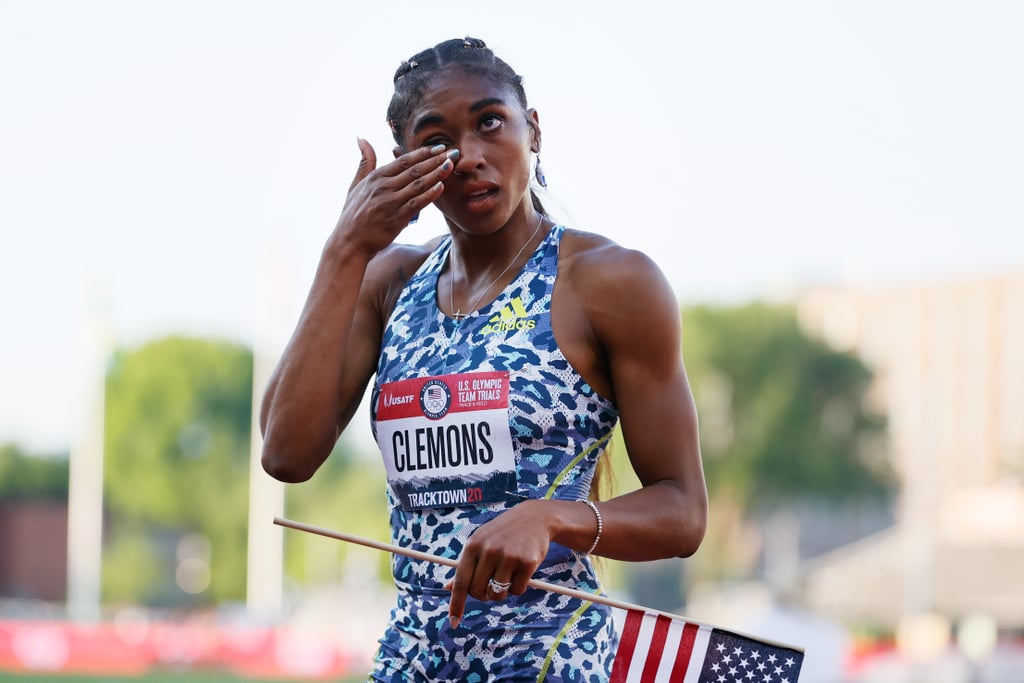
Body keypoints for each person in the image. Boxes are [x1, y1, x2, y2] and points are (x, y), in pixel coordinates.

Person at [260, 37, 707, 682]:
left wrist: (551, 517)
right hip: (412, 660)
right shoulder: (388, 282)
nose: (468, 156)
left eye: (490, 122)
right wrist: (344, 250)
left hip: (549, 660)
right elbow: (285, 455)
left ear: (534, 130)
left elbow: (683, 512)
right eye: (437, 140)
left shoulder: (608, 282)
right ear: (407, 162)